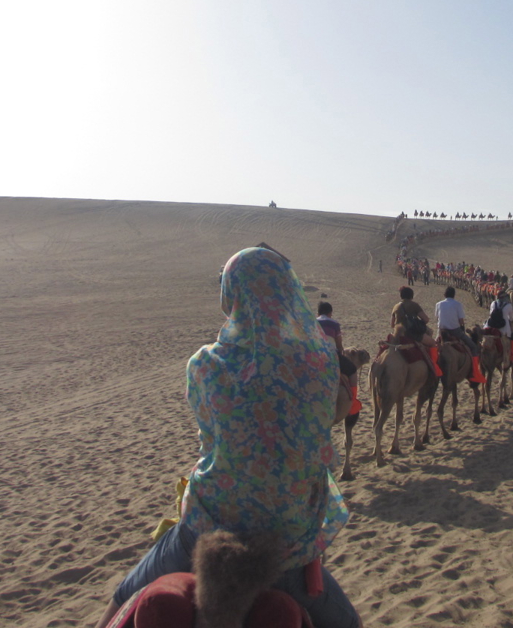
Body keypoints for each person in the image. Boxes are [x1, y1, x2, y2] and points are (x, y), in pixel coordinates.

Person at [95, 246, 360, 628]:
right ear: (288, 291)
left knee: (122, 598)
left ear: (230, 294)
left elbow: (209, 434)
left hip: (207, 526)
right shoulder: (321, 364)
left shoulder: (205, 363)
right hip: (288, 544)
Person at [433, 286, 485, 383]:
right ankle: (474, 372)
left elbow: (437, 319)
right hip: (455, 331)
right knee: (473, 347)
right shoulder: (458, 304)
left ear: (445, 294)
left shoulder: (438, 304)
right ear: (454, 295)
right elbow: (461, 321)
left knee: (433, 347)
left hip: (441, 331)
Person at [390, 286, 439, 378]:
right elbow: (426, 319)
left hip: (397, 334)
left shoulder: (396, 306)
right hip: (411, 334)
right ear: (411, 296)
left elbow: (392, 324)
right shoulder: (414, 305)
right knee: (432, 343)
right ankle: (434, 366)